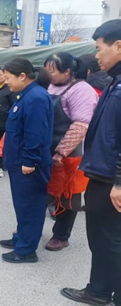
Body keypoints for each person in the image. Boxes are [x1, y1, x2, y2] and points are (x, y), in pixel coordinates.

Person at [62, 19, 121, 306]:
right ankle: (98, 289)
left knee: (113, 239)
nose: (97, 56)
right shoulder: (113, 81)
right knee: (98, 236)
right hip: (99, 172)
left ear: (118, 46)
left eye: (100, 48)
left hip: (114, 178)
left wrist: (120, 181)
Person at [0, 59, 54, 263]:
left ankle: (26, 250)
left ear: (22, 76)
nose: (6, 83)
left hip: (29, 165)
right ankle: (21, 238)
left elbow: (35, 133)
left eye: (8, 78)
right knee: (22, 205)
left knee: (30, 207)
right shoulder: (26, 95)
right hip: (19, 163)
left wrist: (30, 161)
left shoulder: (36, 97)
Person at [42, 52, 99, 252]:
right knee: (42, 192)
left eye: (53, 71)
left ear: (67, 71)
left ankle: (61, 235)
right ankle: (31, 227)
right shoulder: (50, 86)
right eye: (46, 70)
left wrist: (61, 152)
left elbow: (80, 126)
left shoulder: (81, 90)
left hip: (69, 152)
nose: (49, 74)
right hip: (45, 149)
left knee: (67, 196)